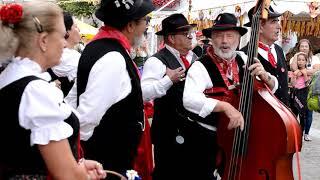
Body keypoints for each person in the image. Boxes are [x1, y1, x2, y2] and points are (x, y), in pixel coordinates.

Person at [0, 2, 106, 180]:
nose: (65, 44)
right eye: (63, 35)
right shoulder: (36, 91)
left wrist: (77, 166)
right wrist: (81, 174)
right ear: (43, 41)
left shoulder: (9, 78)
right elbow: (67, 176)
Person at [64, 0, 155, 178]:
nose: (146, 25)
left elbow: (71, 100)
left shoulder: (97, 47)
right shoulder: (113, 57)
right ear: (130, 25)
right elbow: (87, 116)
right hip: (108, 163)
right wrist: (79, 155)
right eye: (145, 20)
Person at [183, 13, 278, 179]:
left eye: (230, 36)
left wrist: (266, 77)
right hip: (207, 140)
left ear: (239, 39)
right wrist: (225, 106)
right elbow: (189, 99)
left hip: (241, 137)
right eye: (219, 36)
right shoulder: (200, 66)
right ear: (211, 39)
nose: (224, 41)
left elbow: (274, 86)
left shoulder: (245, 58)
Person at [141, 13, 198, 179]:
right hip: (168, 133)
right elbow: (143, 93)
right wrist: (168, 80)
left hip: (194, 132)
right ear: (171, 38)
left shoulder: (195, 57)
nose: (190, 36)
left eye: (190, 32)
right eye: (185, 33)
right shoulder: (157, 61)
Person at [241, 6, 287, 105]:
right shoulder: (244, 54)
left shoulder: (279, 50)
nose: (279, 26)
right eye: (273, 22)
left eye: (277, 21)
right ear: (260, 27)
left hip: (285, 116)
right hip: (262, 116)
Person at [290, 39, 320, 141]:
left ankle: (306, 133)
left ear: (309, 48)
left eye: (306, 46)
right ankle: (294, 132)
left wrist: (303, 71)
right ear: (299, 47)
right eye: (302, 46)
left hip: (309, 90)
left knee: (308, 113)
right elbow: (294, 69)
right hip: (296, 91)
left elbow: (316, 71)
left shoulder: (314, 58)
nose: (304, 48)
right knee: (294, 112)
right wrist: (301, 70)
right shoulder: (295, 58)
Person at [48, 11, 81, 97]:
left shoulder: (70, 55)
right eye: (76, 27)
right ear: (66, 32)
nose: (79, 30)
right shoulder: (68, 57)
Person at [290, 52, 310, 138]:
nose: (300, 62)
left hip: (303, 95)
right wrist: (294, 75)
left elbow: (308, 85)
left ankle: (300, 134)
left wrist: (305, 74)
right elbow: (292, 84)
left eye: (303, 60)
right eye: (299, 60)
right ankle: (292, 132)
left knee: (303, 116)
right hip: (295, 94)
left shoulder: (308, 72)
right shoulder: (294, 72)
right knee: (293, 114)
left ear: (306, 62)